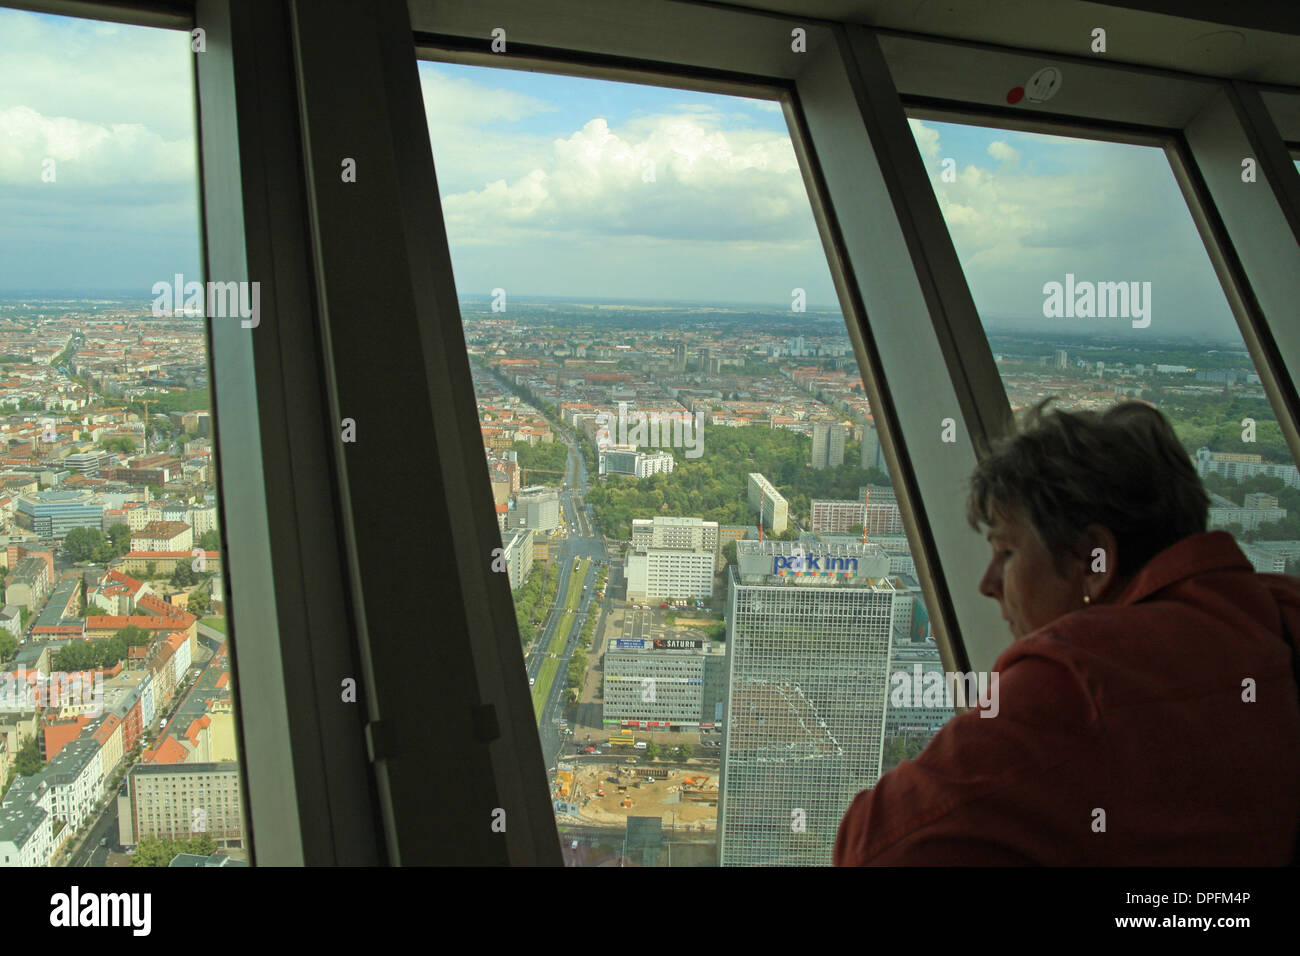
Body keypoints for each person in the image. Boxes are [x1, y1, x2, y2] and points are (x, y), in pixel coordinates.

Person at [834, 398, 1300, 865]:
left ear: (1094, 562)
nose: (988, 583)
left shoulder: (1078, 681)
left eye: (1007, 552)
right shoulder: (1278, 616)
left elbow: (875, 847)